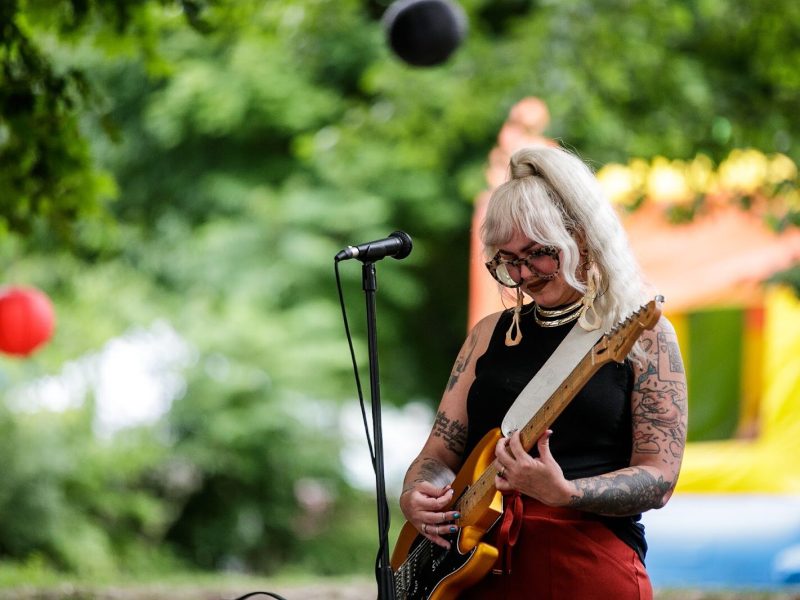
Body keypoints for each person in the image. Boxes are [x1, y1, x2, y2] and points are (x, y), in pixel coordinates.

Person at [398, 145, 688, 599]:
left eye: (539, 254)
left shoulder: (643, 333)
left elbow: (659, 477)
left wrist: (566, 492)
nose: (524, 273)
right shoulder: (486, 334)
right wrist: (420, 493)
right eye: (508, 261)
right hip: (470, 565)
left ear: (581, 237)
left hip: (584, 562)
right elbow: (439, 453)